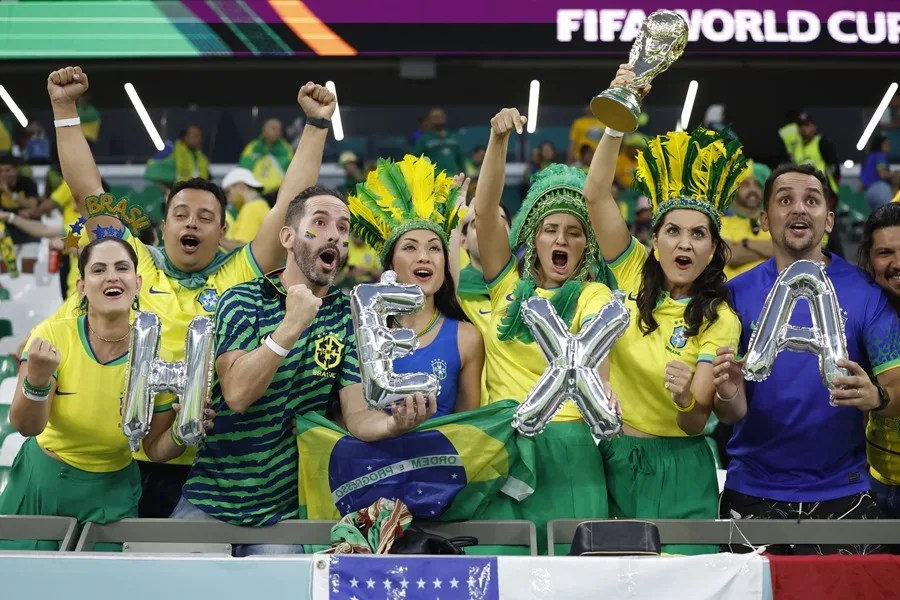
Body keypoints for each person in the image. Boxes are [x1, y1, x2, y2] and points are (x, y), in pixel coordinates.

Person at [47, 65, 336, 517]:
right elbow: (87, 191)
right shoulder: (133, 262)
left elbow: (289, 206)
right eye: (181, 215)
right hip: (129, 458)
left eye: (205, 218)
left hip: (212, 467)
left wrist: (316, 124)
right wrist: (65, 109)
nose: (192, 223)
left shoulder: (242, 271)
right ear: (163, 226)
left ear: (223, 230)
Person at [174, 186, 436, 556]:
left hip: (284, 516)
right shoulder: (242, 299)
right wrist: (292, 323)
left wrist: (396, 424)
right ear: (288, 237)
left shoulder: (348, 316)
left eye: (343, 228)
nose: (335, 235)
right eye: (320, 223)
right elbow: (237, 394)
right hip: (209, 501)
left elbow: (358, 416)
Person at [585, 65, 742, 555]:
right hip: (618, 462)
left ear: (713, 250)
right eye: (673, 231)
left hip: (683, 469)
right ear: (654, 241)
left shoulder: (720, 319)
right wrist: (619, 112)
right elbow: (595, 194)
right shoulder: (631, 271)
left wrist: (685, 398)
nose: (684, 244)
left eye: (698, 234)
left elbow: (695, 422)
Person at [713, 163, 900, 555]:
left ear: (829, 219)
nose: (799, 208)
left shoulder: (867, 293)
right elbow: (728, 410)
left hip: (844, 491)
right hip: (752, 490)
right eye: (785, 200)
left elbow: (895, 386)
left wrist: (877, 396)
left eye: (811, 200)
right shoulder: (734, 295)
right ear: (764, 219)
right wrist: (727, 394)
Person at [473, 106, 616, 552]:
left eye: (574, 232)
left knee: (576, 577)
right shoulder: (506, 288)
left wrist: (604, 388)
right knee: (501, 572)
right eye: (550, 229)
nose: (561, 239)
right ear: (534, 237)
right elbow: (484, 212)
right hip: (503, 446)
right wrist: (498, 141)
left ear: (586, 244)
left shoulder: (594, 294)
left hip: (570, 450)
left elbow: (596, 349)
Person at [0, 238, 204, 550]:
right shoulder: (53, 335)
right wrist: (37, 381)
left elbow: (153, 449)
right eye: (98, 270)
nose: (112, 277)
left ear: (137, 283)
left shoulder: (155, 353)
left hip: (113, 495)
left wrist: (182, 430)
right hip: (42, 486)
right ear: (81, 287)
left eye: (122, 268)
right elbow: (27, 426)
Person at [348, 154, 483, 417]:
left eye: (434, 248)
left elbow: (469, 430)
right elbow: (350, 416)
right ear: (390, 264)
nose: (424, 257)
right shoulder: (359, 334)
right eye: (410, 247)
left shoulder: (467, 338)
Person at [858, 203, 900, 518]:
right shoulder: (862, 314)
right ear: (869, 260)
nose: (897, 263)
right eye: (885, 253)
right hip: (878, 483)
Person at [720, 161, 774, 280]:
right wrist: (770, 250)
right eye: (746, 184)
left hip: (772, 288)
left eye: (758, 185)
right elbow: (731, 256)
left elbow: (784, 251)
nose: (753, 189)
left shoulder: (774, 222)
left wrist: (745, 244)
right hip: (733, 289)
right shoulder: (723, 223)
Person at [238, 118, 294, 194]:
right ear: (264, 130)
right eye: (274, 128)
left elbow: (291, 171)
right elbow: (243, 168)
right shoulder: (253, 147)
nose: (278, 132)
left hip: (277, 193)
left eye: (279, 129)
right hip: (255, 192)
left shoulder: (286, 149)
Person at [219, 167, 269, 250]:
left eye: (228, 192)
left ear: (240, 186)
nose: (228, 199)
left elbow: (242, 247)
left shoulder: (252, 208)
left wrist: (216, 240)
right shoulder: (260, 205)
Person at [411, 108, 466, 176]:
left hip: (453, 176)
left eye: (440, 117)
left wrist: (463, 173)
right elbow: (414, 158)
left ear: (444, 118)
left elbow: (460, 158)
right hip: (434, 177)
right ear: (430, 120)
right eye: (435, 117)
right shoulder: (424, 139)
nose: (438, 120)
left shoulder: (453, 136)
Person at [0, 154, 40, 245]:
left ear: (16, 170)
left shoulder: (27, 183)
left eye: (7, 170)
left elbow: (32, 205)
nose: (3, 174)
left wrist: (7, 191)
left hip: (29, 234)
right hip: (6, 235)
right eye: (0, 171)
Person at [861, 135, 894, 212]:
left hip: (868, 192)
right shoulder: (880, 155)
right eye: (886, 144)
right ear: (880, 145)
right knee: (889, 215)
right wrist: (894, 175)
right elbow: (882, 174)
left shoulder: (869, 157)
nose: (888, 146)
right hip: (880, 190)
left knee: (877, 217)